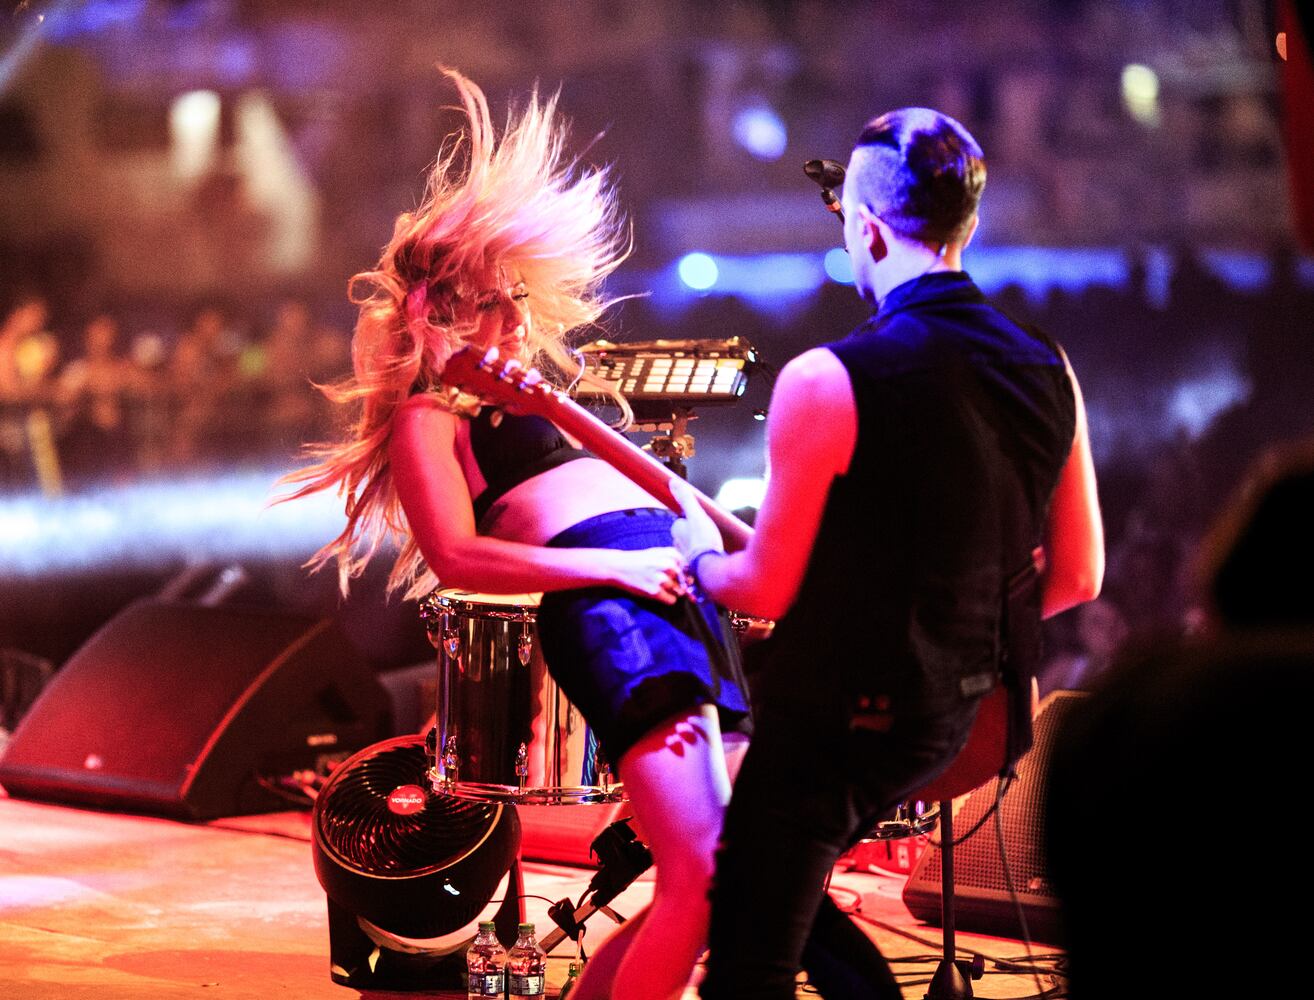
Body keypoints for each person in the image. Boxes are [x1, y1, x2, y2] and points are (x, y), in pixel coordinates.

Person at [280, 69, 751, 1000]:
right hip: (624, 604)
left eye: (518, 297)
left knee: (724, 869)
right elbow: (456, 556)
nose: (517, 316)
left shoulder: (543, 404)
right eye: (494, 300)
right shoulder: (431, 415)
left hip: (679, 591)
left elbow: (670, 495)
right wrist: (610, 566)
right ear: (443, 312)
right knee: (706, 874)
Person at [670, 107, 1104, 999]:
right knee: (763, 881)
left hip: (841, 721)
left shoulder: (826, 378)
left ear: (867, 230)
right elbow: (1078, 575)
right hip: (966, 721)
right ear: (965, 226)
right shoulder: (1048, 364)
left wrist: (695, 557)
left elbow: (765, 589)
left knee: (747, 963)